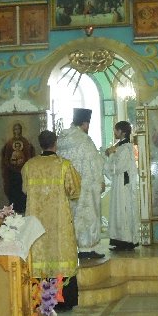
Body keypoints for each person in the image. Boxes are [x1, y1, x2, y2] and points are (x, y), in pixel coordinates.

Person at [22, 130, 81, 310]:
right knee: (60, 254)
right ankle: (62, 302)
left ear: (40, 144)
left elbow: (25, 190)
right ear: (55, 143)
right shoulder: (64, 165)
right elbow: (75, 191)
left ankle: (41, 300)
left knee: (40, 256)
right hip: (59, 221)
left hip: (37, 223)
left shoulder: (29, 166)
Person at [56, 108, 106, 261]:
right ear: (85, 123)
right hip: (85, 186)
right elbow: (95, 163)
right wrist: (100, 180)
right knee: (87, 216)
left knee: (72, 216)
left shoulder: (61, 140)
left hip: (68, 187)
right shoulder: (85, 140)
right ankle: (86, 248)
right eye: (88, 124)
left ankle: (72, 247)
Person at [104, 120, 140, 251]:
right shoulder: (120, 146)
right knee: (118, 211)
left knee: (123, 211)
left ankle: (126, 241)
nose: (114, 132)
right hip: (119, 184)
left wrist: (110, 155)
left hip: (123, 186)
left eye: (116, 130)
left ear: (122, 132)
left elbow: (118, 167)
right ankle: (120, 241)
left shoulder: (125, 148)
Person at [0, 122, 34, 212]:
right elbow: (6, 157)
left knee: (22, 190)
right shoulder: (9, 143)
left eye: (18, 129)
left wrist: (23, 161)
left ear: (21, 130)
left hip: (23, 172)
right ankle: (13, 208)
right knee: (13, 190)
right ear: (13, 130)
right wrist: (13, 163)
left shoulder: (25, 142)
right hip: (12, 172)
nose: (17, 131)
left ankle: (22, 208)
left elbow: (29, 156)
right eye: (15, 129)